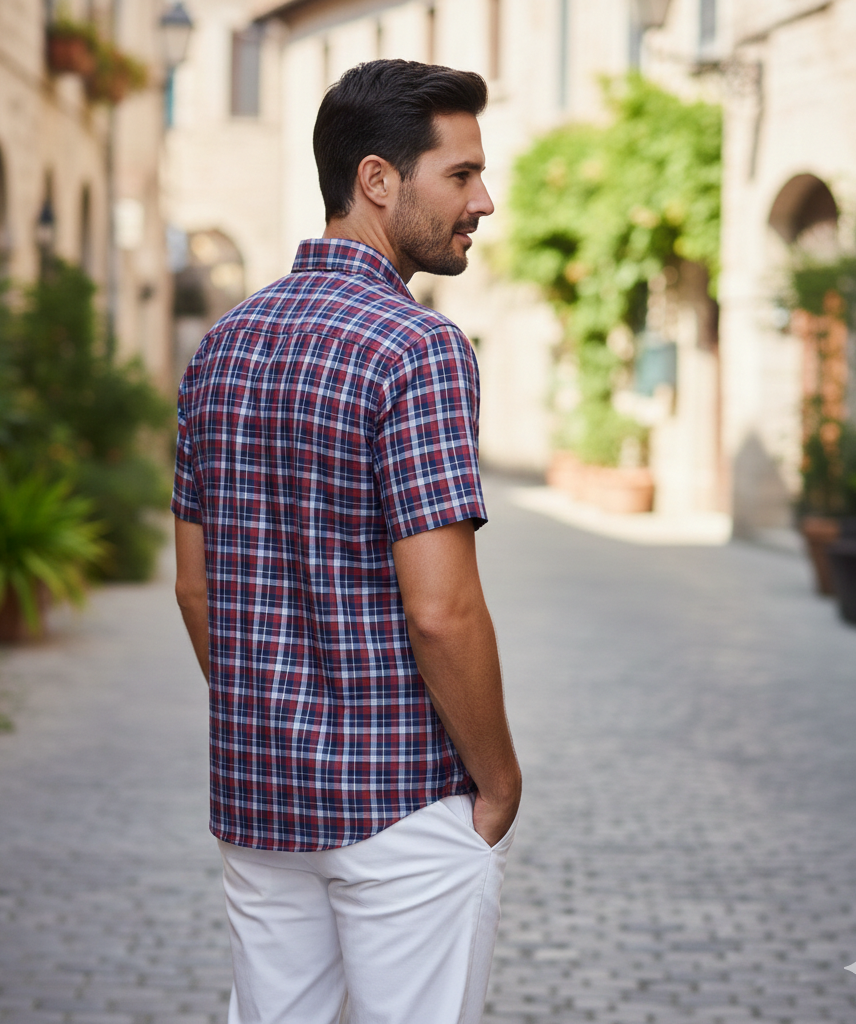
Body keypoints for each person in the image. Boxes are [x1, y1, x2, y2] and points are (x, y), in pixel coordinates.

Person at [172, 58, 520, 1024]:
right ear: (377, 180)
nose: (483, 201)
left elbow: (194, 591)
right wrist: (496, 784)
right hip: (401, 806)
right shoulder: (418, 348)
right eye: (461, 175)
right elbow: (442, 608)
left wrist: (276, 717)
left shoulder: (223, 346)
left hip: (260, 804)